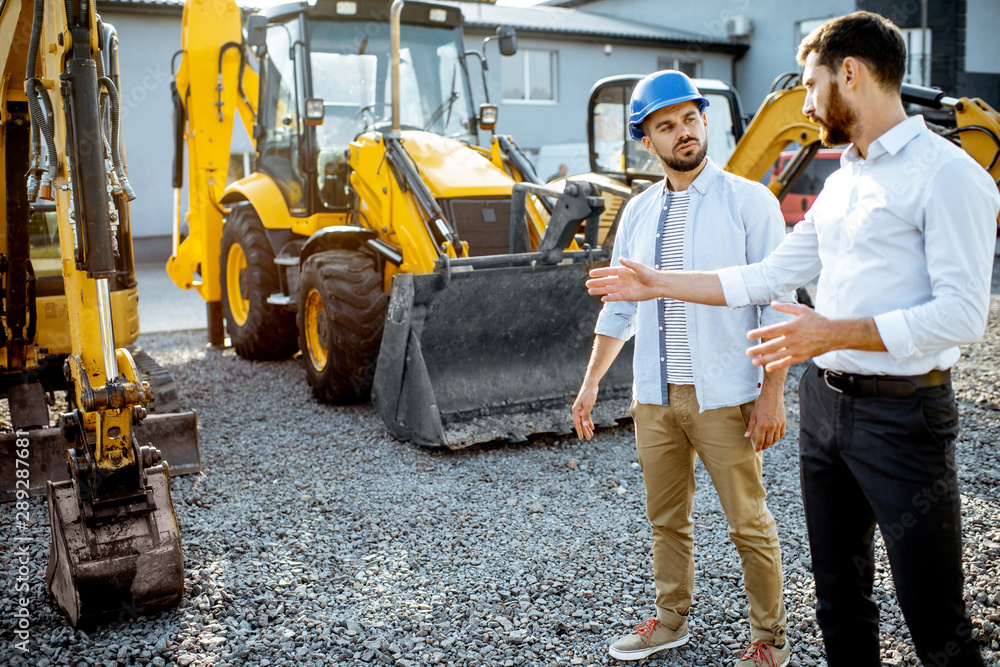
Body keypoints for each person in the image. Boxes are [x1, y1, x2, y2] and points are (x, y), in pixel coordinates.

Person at [586, 13, 999, 667]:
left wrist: (825, 333)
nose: (805, 104)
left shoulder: (947, 176)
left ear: (851, 75)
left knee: (935, 619)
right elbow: (768, 276)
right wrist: (653, 282)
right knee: (838, 599)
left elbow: (962, 316)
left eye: (812, 86)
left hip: (904, 414)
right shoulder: (843, 182)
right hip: (828, 408)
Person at [572, 70, 794, 666]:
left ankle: (769, 640)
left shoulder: (750, 202)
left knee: (749, 523)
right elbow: (620, 308)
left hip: (725, 392)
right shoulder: (639, 214)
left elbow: (778, 304)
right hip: (654, 395)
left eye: (690, 119)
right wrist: (592, 382)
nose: (684, 133)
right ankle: (670, 621)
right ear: (648, 140)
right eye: (666, 126)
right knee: (666, 519)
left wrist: (773, 394)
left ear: (704, 120)